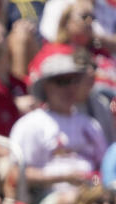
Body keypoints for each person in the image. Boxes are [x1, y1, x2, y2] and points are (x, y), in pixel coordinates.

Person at [10, 54, 106, 196]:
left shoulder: (90, 124)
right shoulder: (31, 124)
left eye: (74, 81)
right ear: (46, 87)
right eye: (61, 82)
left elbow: (104, 165)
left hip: (92, 197)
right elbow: (17, 173)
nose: (70, 88)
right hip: (50, 197)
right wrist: (63, 177)